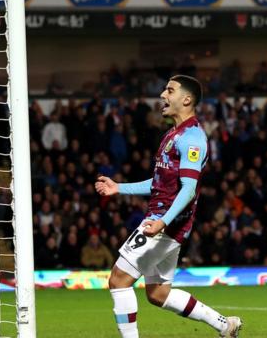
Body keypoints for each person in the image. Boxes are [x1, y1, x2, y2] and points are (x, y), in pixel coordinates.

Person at [95, 75, 242, 338]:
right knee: (158, 293)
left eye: (169, 90)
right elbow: (160, 182)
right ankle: (224, 325)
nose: (163, 94)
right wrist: (120, 188)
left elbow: (189, 188)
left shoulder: (193, 138)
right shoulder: (173, 135)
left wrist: (163, 222)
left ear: (186, 99)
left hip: (164, 223)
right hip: (164, 222)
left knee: (118, 279)